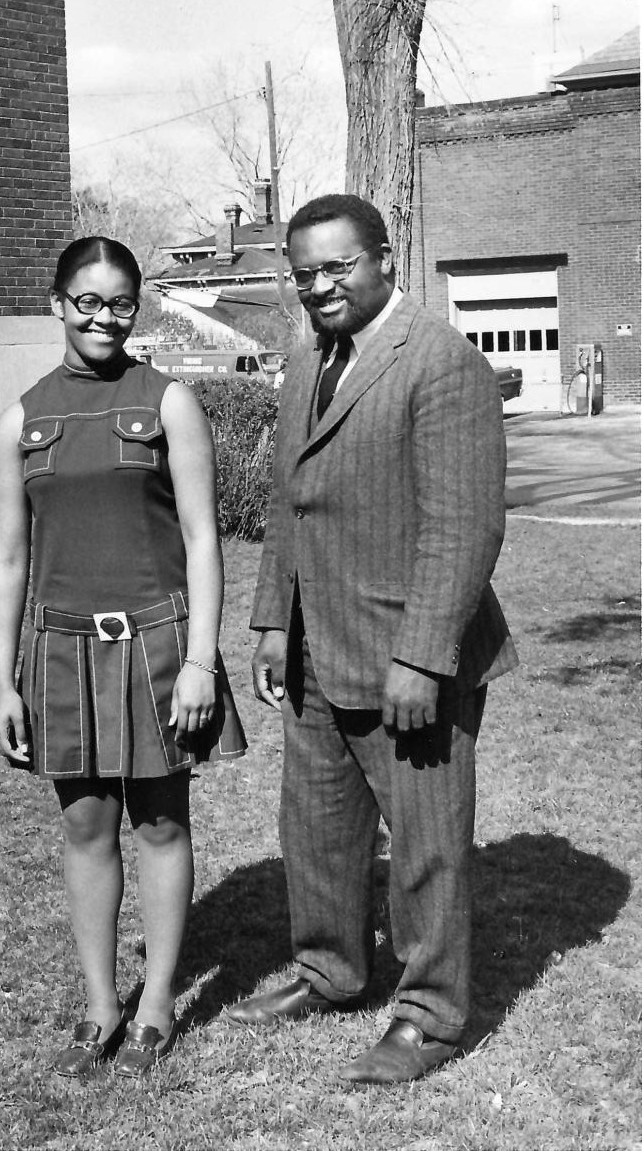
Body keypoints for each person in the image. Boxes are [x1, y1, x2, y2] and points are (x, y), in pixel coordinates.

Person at [224, 195, 517, 1084]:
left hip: (407, 659)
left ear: (384, 259)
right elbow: (292, 499)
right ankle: (330, 970)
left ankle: (431, 1016)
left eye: (337, 267)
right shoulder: (311, 356)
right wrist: (276, 620)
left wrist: (424, 656)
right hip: (317, 646)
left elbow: (462, 529)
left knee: (426, 842)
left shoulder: (440, 362)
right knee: (315, 828)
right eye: (304, 272)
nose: (319, 287)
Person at [0, 236, 246, 1078]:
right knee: (85, 824)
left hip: (159, 646)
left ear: (137, 308)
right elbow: (7, 559)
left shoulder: (167, 403)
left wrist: (203, 659)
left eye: (121, 303)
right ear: (57, 303)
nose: (104, 318)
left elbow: (206, 538)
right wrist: (2, 681)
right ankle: (102, 1005)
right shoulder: (20, 419)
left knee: (163, 820)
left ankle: (159, 1002)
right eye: (87, 301)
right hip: (60, 650)